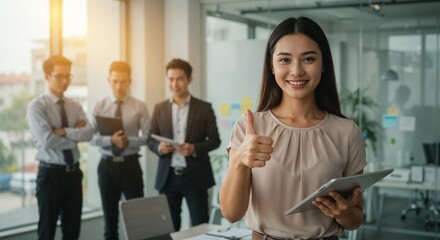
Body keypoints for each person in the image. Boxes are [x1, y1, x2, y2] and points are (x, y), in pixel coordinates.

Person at [219, 16, 366, 240]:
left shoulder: (347, 132)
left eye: (308, 59)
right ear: (271, 66)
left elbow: (356, 219)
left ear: (324, 63)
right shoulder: (250, 127)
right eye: (285, 60)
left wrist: (345, 215)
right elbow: (230, 214)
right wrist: (239, 161)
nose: (296, 71)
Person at [147, 58, 221, 231]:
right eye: (171, 79)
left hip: (195, 176)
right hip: (168, 177)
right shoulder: (159, 108)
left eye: (179, 79)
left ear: (189, 79)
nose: (175, 84)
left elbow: (215, 140)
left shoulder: (204, 108)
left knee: (200, 227)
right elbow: (150, 139)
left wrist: (194, 148)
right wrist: (159, 148)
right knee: (169, 229)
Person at [26, 55, 94, 240]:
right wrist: (75, 135)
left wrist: (64, 131)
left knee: (72, 232)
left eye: (68, 76)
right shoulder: (37, 107)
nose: (65, 81)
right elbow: (47, 140)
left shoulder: (75, 106)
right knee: (47, 230)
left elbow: (89, 133)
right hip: (50, 176)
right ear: (47, 77)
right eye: (59, 76)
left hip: (73, 175)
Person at [89, 61, 150, 240]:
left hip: (131, 166)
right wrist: (111, 140)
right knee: (110, 223)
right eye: (115, 81)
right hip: (107, 167)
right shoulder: (99, 106)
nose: (119, 86)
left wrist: (127, 142)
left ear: (129, 81)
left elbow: (148, 137)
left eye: (123, 81)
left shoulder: (139, 106)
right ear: (109, 80)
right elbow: (89, 136)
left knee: (137, 221)